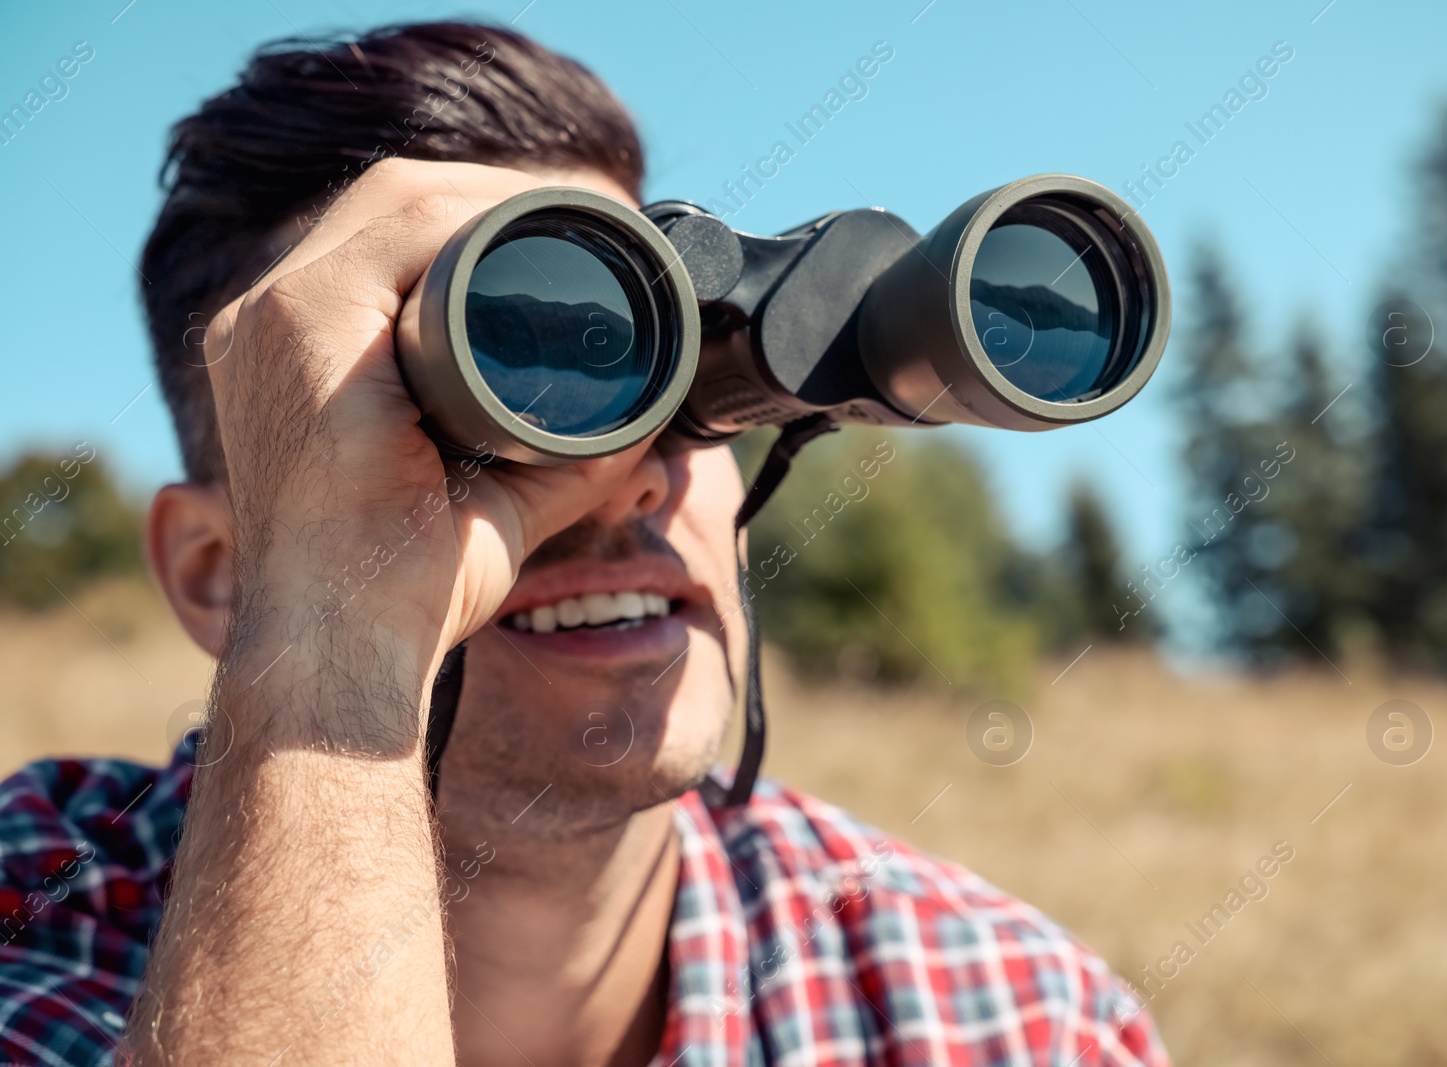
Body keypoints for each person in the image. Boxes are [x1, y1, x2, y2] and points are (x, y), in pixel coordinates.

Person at [0, 21, 1168, 1067]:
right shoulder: (41, 918)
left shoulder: (1010, 1016)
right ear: (217, 571)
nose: (631, 474)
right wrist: (330, 650)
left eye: (656, 381)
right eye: (496, 393)